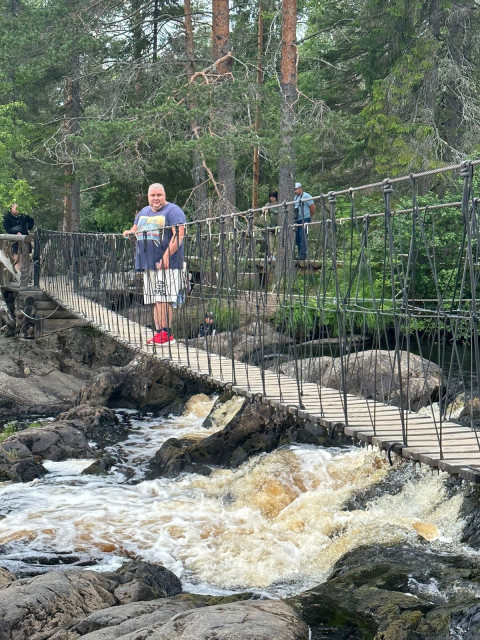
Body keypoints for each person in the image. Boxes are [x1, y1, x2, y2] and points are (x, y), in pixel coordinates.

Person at [123, 183, 186, 346]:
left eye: (159, 195)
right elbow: (136, 228)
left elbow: (179, 234)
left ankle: (167, 334)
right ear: (148, 196)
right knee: (155, 299)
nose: (156, 198)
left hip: (167, 264)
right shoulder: (144, 211)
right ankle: (159, 333)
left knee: (164, 298)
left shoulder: (173, 211)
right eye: (153, 195)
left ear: (164, 195)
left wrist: (166, 256)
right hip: (148, 263)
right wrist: (129, 233)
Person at [2, 204, 35, 272]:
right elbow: (7, 229)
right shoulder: (7, 217)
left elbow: (31, 220)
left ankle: (26, 276)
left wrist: (29, 229)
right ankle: (18, 275)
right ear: (12, 208)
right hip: (15, 241)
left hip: (25, 240)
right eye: (16, 209)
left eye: (18, 209)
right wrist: (16, 232)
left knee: (26, 258)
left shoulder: (22, 216)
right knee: (17, 258)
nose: (17, 211)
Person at [294, 182, 315, 260]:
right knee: (297, 238)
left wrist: (309, 216)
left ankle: (303, 255)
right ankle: (300, 253)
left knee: (302, 235)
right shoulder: (295, 198)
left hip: (305, 218)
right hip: (297, 219)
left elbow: (312, 207)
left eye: (296, 189)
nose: (295, 191)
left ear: (300, 188)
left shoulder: (306, 196)